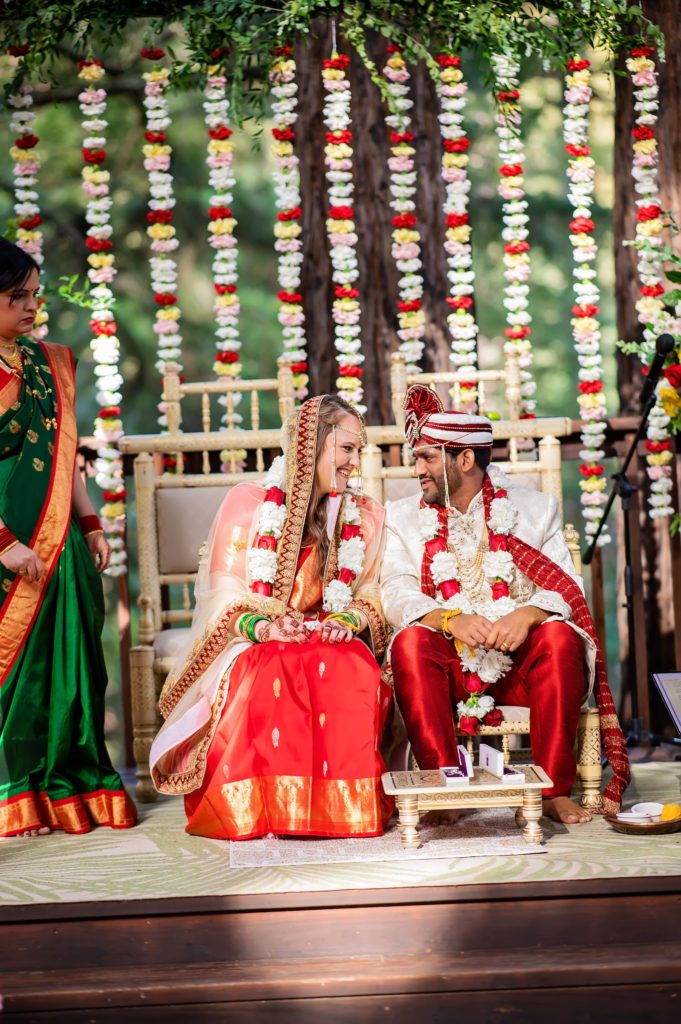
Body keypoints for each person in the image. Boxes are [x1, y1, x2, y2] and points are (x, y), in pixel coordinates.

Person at [380, 384, 630, 823]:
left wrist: (528, 614)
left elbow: (567, 586)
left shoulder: (533, 510)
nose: (414, 467)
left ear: (464, 459)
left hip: (519, 666)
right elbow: (395, 591)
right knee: (410, 645)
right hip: (451, 666)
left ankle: (550, 791)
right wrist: (448, 618)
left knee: (559, 636)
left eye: (425, 456)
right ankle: (443, 788)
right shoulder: (401, 518)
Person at [150, 394, 393, 840]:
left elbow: (372, 591)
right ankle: (264, 809)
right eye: (347, 449)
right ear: (312, 445)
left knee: (352, 668)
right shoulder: (249, 505)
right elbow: (226, 590)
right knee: (269, 668)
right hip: (255, 638)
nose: (355, 462)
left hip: (328, 636)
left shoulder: (365, 516)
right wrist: (262, 626)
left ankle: (340, 811)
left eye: (358, 451)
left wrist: (349, 621)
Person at [0, 237, 137, 837]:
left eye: (33, 295)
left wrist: (88, 520)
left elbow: (63, 460)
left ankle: (70, 784)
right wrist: (5, 542)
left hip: (58, 544)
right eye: (15, 297)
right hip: (10, 549)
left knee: (71, 666)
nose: (31, 307)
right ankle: (15, 792)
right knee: (19, 676)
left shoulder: (48, 362)